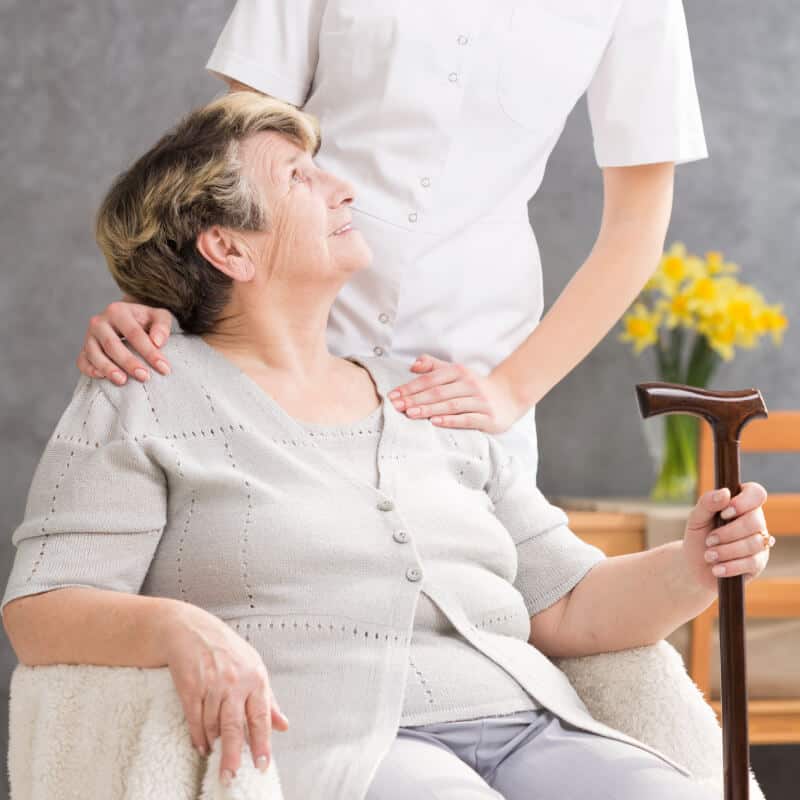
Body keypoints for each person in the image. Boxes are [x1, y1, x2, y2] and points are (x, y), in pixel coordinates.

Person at [1, 93, 771, 800]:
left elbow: (567, 606)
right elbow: (42, 609)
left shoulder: (426, 392)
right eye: (300, 177)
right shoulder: (143, 392)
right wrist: (179, 629)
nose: (342, 189)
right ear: (229, 250)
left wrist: (696, 561)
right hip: (348, 747)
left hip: (532, 721)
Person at [72, 0, 710, 486]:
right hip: (277, 337)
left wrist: (512, 389)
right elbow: (233, 155)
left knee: (464, 607)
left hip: (465, 363)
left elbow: (635, 229)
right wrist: (159, 295)